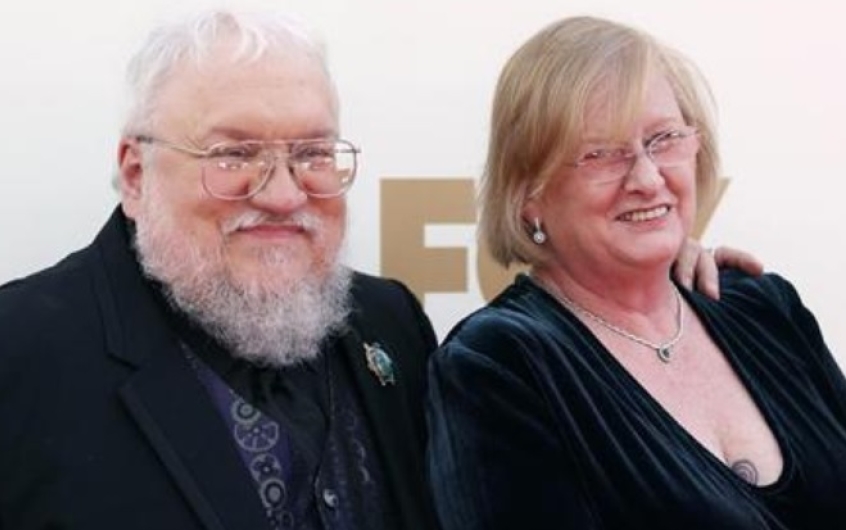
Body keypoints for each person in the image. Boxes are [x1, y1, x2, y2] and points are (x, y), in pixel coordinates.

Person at [0, 8, 756, 530]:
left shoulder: (390, 322)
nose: (283, 193)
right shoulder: (20, 354)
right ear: (136, 174)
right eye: (233, 154)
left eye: (312, 153)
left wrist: (647, 273)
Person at [426, 15, 846, 530]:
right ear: (529, 192)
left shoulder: (763, 308)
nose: (647, 178)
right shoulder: (498, 364)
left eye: (663, 138)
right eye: (601, 154)